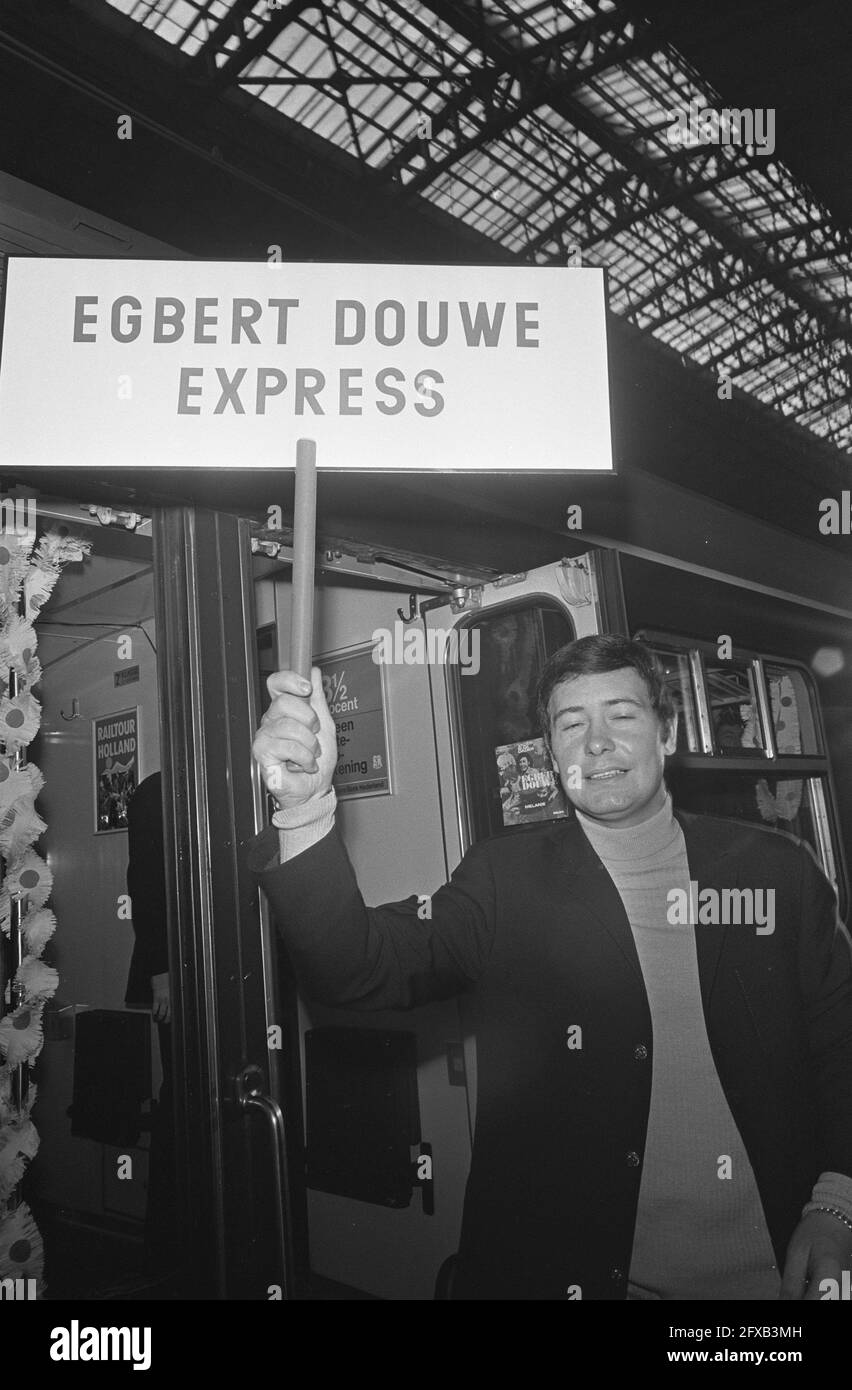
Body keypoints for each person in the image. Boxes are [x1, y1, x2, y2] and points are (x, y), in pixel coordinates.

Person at [247, 634, 852, 1301]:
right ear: (551, 753)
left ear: (668, 731)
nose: (596, 743)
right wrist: (302, 806)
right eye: (571, 725)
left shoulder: (774, 872)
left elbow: (841, 1048)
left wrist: (837, 1205)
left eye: (621, 716)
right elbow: (357, 969)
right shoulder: (505, 881)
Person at [125, 770, 177, 1270]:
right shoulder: (153, 793)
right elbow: (144, 883)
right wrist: (161, 973)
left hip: (211, 966)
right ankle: (165, 1245)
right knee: (181, 1094)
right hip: (176, 973)